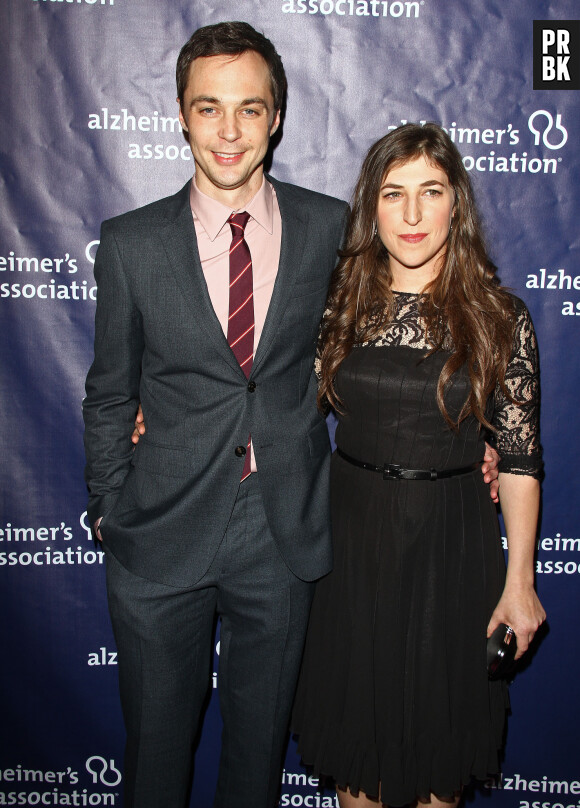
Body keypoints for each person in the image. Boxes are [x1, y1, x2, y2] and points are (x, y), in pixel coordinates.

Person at [82, 21, 349, 808]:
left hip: (280, 530)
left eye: (249, 109)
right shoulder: (131, 245)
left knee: (257, 764)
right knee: (157, 764)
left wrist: (467, 432)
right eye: (209, 108)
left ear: (276, 117)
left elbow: (375, 352)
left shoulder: (328, 228)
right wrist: (108, 505)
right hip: (159, 530)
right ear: (180, 114)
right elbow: (108, 393)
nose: (229, 131)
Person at [290, 123, 546, 808]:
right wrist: (164, 415)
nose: (410, 214)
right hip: (351, 548)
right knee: (358, 765)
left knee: (437, 766)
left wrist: (520, 582)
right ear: (370, 207)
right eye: (392, 193)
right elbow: (274, 410)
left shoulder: (500, 317)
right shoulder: (337, 307)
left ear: (454, 204)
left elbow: (519, 457)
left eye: (429, 192)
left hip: (453, 547)